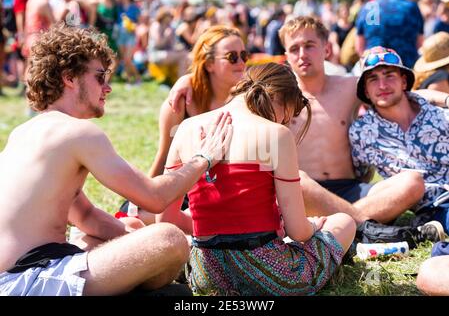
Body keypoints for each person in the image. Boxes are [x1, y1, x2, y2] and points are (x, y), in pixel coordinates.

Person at [0, 23, 232, 296]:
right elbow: (154, 198)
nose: (107, 87)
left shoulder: (24, 132)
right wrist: (203, 158)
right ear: (70, 78)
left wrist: (133, 236)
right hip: (31, 280)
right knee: (168, 239)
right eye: (100, 77)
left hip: (24, 276)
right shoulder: (77, 132)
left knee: (128, 227)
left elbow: (85, 216)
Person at [169, 16, 448, 227]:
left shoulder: (351, 87)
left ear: (326, 49)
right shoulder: (272, 93)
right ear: (286, 55)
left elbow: (399, 91)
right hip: (298, 190)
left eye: (310, 46)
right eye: (295, 48)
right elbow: (225, 90)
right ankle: (363, 223)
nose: (302, 54)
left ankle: (355, 221)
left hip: (351, 189)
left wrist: (442, 100)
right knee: (298, 180)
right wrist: (185, 81)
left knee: (412, 181)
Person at [157, 62, 356, 296]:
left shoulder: (186, 128)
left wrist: (217, 227)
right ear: (282, 98)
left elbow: (166, 218)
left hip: (205, 273)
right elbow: (299, 232)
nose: (284, 122)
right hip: (272, 275)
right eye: (288, 116)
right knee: (344, 222)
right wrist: (314, 225)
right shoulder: (277, 135)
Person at [125, 25, 247, 225]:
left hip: (229, 195)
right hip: (183, 196)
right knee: (138, 219)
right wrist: (144, 200)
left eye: (244, 55)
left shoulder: (247, 99)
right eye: (232, 57)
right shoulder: (181, 104)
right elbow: (164, 158)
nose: (241, 63)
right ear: (209, 64)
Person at [350, 46, 449, 234]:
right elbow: (357, 178)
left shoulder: (439, 116)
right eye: (373, 79)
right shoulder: (362, 132)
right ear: (366, 90)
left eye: (389, 75)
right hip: (436, 205)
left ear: (404, 81)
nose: (382, 85)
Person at [355, 0, 424, 68]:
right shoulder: (411, 7)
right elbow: (420, 43)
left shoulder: (367, 7)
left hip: (373, 70)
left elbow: (359, 47)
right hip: (406, 70)